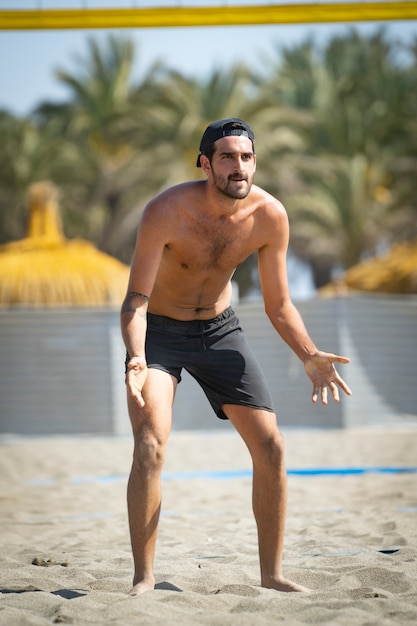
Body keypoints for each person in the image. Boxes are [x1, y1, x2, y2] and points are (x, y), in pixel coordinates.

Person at [120, 118, 351, 596]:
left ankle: (272, 574)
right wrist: (136, 356)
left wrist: (309, 355)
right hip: (159, 334)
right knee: (149, 445)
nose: (238, 166)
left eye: (246, 157)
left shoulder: (269, 215)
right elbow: (136, 300)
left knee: (272, 447)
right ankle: (144, 578)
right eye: (226, 157)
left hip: (221, 331)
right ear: (205, 164)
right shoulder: (165, 210)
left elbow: (279, 304)